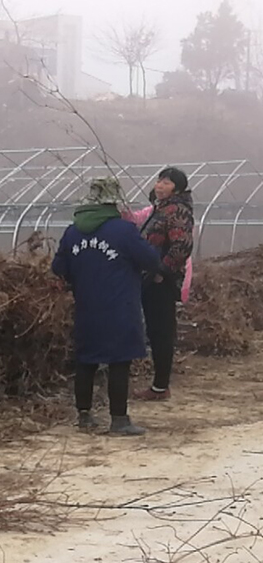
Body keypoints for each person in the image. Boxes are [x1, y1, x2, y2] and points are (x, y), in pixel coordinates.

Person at [52, 177, 165, 436]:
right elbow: (150, 259)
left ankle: (84, 416)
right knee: (119, 361)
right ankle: (119, 420)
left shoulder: (72, 232)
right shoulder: (123, 230)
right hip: (119, 305)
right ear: (113, 202)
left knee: (86, 360)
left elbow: (58, 267)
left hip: (86, 306)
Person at [128, 166, 195, 401]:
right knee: (156, 331)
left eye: (166, 182)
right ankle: (159, 385)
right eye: (159, 181)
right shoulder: (161, 208)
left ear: (177, 188)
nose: (160, 185)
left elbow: (182, 246)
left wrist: (162, 272)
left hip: (161, 281)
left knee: (161, 331)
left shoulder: (177, 210)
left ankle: (160, 387)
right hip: (151, 277)